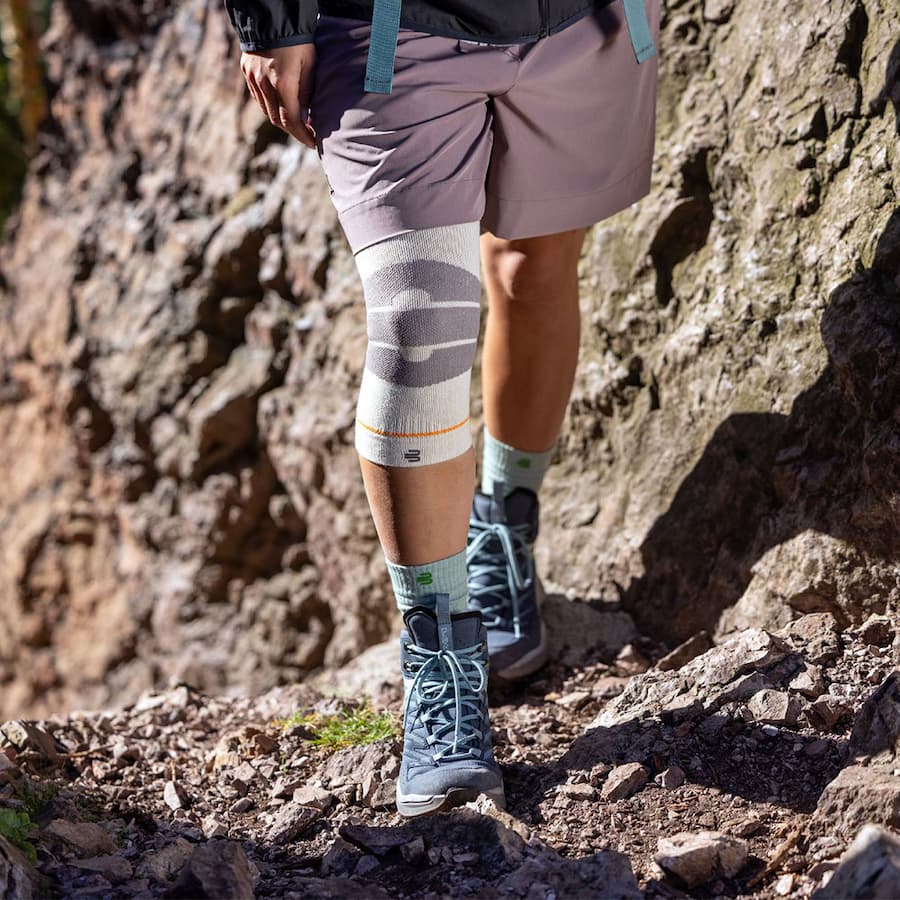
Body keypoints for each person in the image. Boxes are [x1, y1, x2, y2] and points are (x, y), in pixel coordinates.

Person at [224, 0, 660, 817]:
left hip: (582, 26)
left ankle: (503, 529)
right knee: (419, 320)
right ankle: (440, 654)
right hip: (394, 25)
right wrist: (271, 19)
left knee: (532, 271)